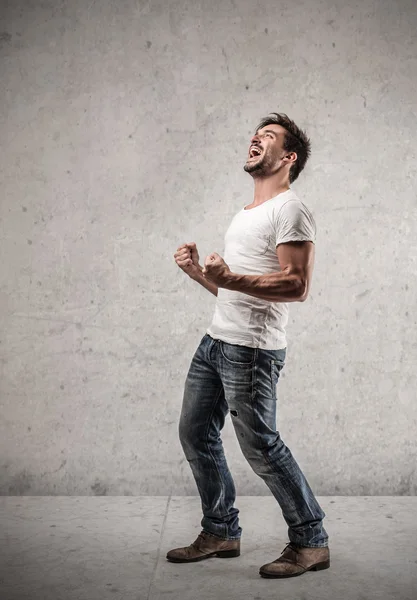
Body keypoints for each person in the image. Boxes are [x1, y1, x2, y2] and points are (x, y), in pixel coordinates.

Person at [169, 113, 330, 578]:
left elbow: (296, 286)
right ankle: (220, 530)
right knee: (195, 433)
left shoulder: (291, 209)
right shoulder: (247, 213)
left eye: (269, 137)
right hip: (217, 341)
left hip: (253, 352)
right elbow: (236, 290)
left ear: (289, 157)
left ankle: (311, 541)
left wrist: (230, 276)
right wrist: (200, 274)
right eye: (255, 135)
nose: (256, 140)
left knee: (261, 447)